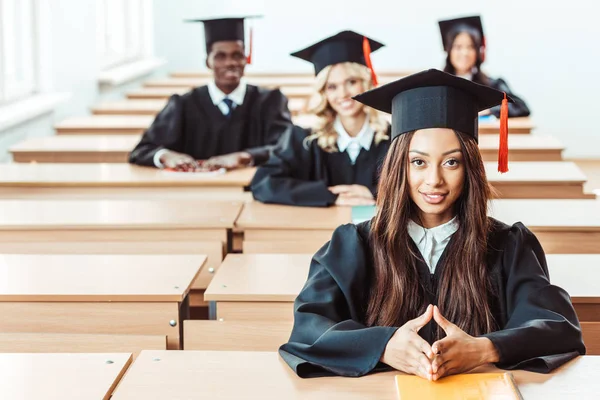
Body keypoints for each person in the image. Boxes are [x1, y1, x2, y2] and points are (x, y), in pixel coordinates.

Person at [279, 69, 585, 379]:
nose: (434, 180)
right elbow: (310, 327)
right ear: (400, 165)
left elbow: (557, 326)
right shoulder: (355, 245)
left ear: (471, 168)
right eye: (418, 162)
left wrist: (485, 348)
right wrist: (383, 346)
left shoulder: (507, 245)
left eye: (451, 161)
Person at [129, 16, 292, 171]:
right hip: (196, 192)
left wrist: (245, 156)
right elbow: (142, 150)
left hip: (253, 190)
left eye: (237, 55)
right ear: (208, 62)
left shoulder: (269, 102)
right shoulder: (184, 105)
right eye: (221, 56)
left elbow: (288, 147)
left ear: (246, 60)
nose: (230, 63)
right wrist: (165, 155)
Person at [250, 31, 390, 207]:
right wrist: (329, 195)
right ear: (323, 92)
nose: (343, 94)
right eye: (332, 87)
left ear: (367, 82)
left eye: (352, 82)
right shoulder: (305, 139)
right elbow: (263, 183)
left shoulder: (392, 137)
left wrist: (373, 192)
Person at [439, 15, 531, 117]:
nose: (464, 53)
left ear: (478, 52)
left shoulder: (492, 85)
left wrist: (489, 110)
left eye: (470, 47)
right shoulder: (439, 86)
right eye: (458, 47)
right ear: (449, 50)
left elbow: (520, 107)